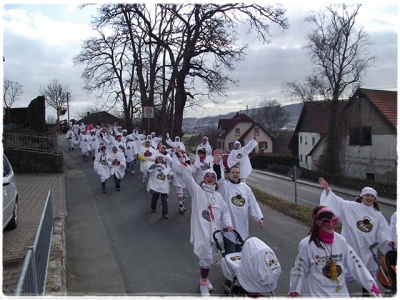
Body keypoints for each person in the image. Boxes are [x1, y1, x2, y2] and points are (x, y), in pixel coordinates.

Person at [319, 178, 394, 290]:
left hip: (368, 251)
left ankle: (369, 295)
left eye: (372, 196)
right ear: (362, 196)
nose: (369, 198)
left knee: (369, 278)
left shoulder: (378, 215)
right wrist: (327, 190)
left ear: (374, 199)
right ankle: (331, 291)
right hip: (351, 247)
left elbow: (383, 231)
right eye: (367, 195)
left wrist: (388, 241)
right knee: (345, 275)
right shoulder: (351, 207)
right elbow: (337, 202)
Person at [288, 205, 381, 297]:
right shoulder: (307, 245)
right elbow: (300, 268)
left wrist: (371, 285)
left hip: (339, 293)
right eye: (326, 222)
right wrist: (294, 291)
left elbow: (355, 262)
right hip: (317, 293)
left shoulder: (341, 241)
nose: (331, 224)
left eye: (334, 221)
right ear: (317, 222)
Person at [177, 149, 233, 297]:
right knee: (206, 259)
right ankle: (203, 285)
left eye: (212, 176)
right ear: (203, 178)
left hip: (214, 232)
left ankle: (205, 280)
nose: (209, 178)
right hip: (202, 231)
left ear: (215, 179)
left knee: (208, 259)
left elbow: (225, 212)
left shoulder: (219, 197)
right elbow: (188, 178)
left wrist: (228, 224)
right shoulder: (197, 192)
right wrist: (183, 161)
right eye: (207, 176)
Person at [213, 148, 264, 254]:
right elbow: (218, 178)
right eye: (233, 172)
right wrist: (217, 164)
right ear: (229, 173)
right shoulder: (225, 186)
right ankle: (229, 269)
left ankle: (238, 270)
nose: (235, 174)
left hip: (242, 225)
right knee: (230, 254)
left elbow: (253, 203)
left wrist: (259, 218)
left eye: (237, 172)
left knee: (240, 254)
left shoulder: (245, 188)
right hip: (229, 226)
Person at [146, 153, 172, 220]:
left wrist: (171, 175)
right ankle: (153, 207)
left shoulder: (164, 166)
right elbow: (148, 169)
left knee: (164, 200)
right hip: (156, 187)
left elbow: (168, 172)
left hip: (164, 186)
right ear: (156, 159)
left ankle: (165, 214)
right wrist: (156, 165)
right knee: (155, 199)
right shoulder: (152, 166)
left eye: (161, 157)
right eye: (158, 157)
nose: (160, 158)